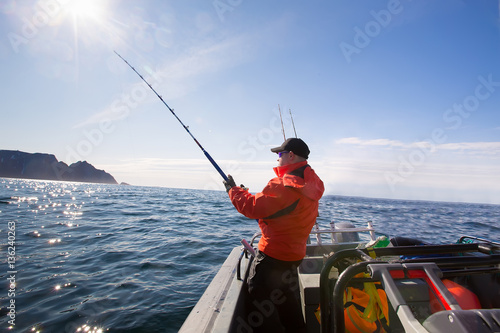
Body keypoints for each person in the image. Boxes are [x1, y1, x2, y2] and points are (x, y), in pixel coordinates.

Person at [223, 138, 325, 332]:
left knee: (258, 303)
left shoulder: (285, 184)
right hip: (294, 256)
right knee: (286, 300)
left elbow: (251, 207)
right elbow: (281, 209)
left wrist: (233, 191)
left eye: (279, 154)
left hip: (273, 256)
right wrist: (245, 193)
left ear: (291, 155)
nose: (277, 159)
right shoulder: (311, 184)